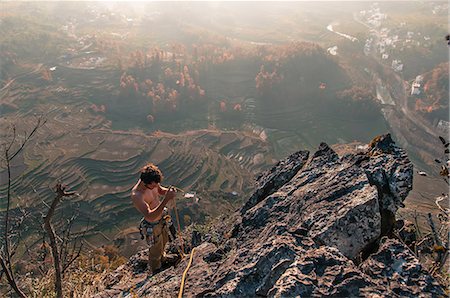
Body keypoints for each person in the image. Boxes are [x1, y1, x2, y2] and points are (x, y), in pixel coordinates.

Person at [131, 163, 177, 275]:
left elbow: (160, 190)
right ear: (145, 183)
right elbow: (149, 215)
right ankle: (156, 270)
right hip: (153, 224)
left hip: (162, 218)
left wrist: (169, 192)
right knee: (155, 249)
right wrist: (166, 200)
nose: (156, 186)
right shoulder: (137, 195)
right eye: (153, 185)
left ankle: (163, 258)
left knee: (164, 240)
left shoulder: (152, 182)